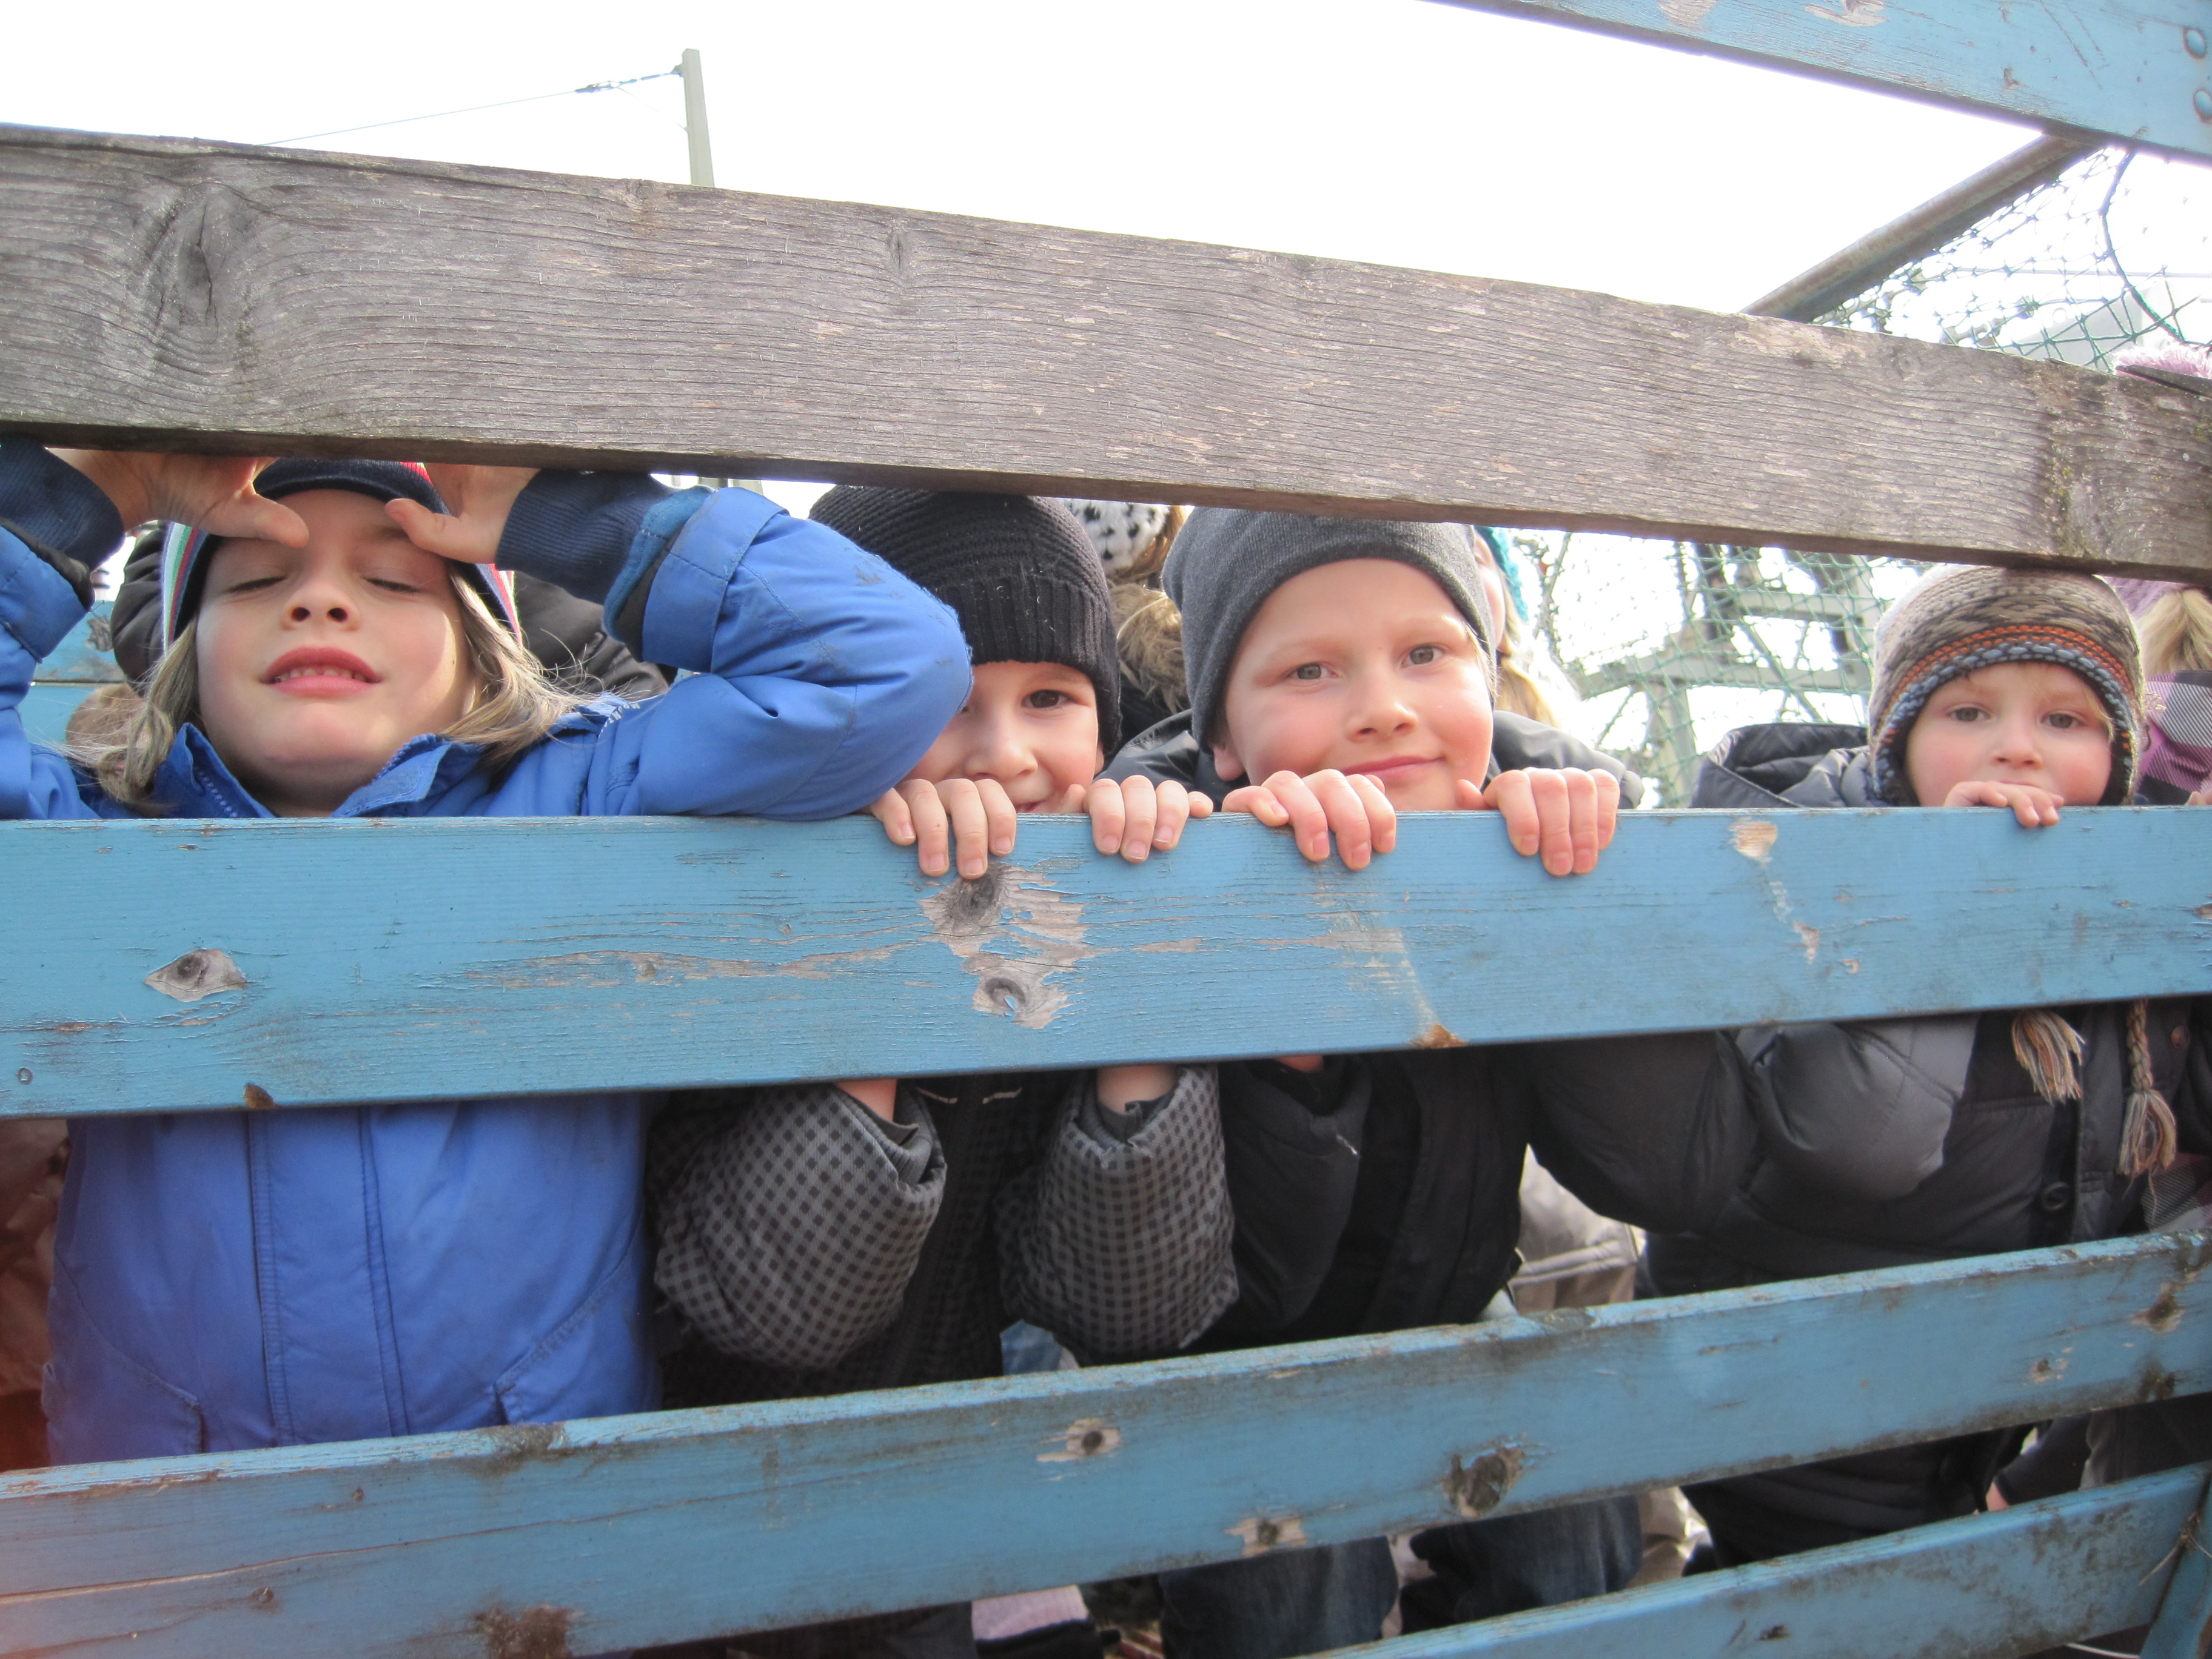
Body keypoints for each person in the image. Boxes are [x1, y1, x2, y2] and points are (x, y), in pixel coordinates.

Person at [0, 440, 968, 1463]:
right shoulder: (88, 844)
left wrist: (577, 521)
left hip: (539, 1496)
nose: (320, 601)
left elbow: (890, 660)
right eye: (254, 581)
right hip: (166, 1506)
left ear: (481, 654)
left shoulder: (588, 801)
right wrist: (89, 497)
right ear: (186, 660)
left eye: (390, 580)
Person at [1104, 509, 1757, 1658]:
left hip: (1454, 1300)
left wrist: (1573, 918)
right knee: (1287, 1560)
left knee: (1575, 1510)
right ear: (1224, 739)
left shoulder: (1537, 823)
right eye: (1309, 670)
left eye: (1426, 653)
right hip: (1234, 1353)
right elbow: (1245, 1298)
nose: (1383, 707)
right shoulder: (1166, 859)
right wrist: (1286, 971)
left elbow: (1672, 1178)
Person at [645, 489, 1233, 1659]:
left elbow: (1132, 1309)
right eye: (947, 701)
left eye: (1052, 699)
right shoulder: (737, 896)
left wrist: (1139, 973)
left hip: (929, 1529)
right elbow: (781, 1313)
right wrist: (887, 949)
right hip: (697, 1532)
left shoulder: (1062, 930)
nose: (1006, 753)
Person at [1662, 563, 2209, 1569]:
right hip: (1779, 1391)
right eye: (1968, 710)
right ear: (1896, 740)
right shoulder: (1814, 864)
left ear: (2123, 756)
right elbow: (1866, 1139)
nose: (2017, 746)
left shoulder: (2117, 905)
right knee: (1782, 1593)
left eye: (2066, 720)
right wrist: (1944, 893)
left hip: (1971, 1412)